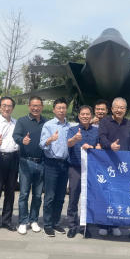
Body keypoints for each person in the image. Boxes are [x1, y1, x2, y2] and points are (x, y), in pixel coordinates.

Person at [97, 97, 130, 237]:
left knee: (119, 196)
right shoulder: (105, 121)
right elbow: (102, 137)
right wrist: (110, 145)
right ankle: (104, 224)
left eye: (122, 107)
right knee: (105, 194)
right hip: (106, 164)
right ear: (112, 109)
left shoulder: (129, 124)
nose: (119, 110)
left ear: (126, 110)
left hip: (122, 166)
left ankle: (115, 224)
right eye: (117, 107)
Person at [12, 96, 47, 235]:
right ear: (28, 106)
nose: (35, 108)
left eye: (38, 105)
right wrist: (22, 140)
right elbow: (15, 136)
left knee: (37, 195)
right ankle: (23, 222)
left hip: (42, 162)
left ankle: (33, 220)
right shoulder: (22, 121)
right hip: (26, 162)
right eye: (33, 105)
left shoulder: (46, 122)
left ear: (42, 107)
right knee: (24, 194)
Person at [40, 98, 72, 237]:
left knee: (60, 196)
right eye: (59, 108)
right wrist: (50, 139)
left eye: (63, 108)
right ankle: (47, 225)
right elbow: (42, 144)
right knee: (50, 196)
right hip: (51, 164)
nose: (61, 110)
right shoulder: (48, 125)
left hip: (65, 164)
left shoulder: (69, 126)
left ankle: (55, 222)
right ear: (54, 110)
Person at [0, 96, 20, 233]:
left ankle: (7, 220)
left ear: (13, 108)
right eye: (4, 106)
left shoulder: (16, 123)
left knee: (10, 191)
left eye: (10, 106)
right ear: (0, 107)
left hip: (14, 158)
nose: (7, 108)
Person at [66, 105, 98, 239]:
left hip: (91, 169)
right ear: (79, 116)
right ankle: (72, 226)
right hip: (76, 167)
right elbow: (68, 143)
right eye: (82, 114)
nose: (85, 116)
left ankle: (85, 226)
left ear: (91, 116)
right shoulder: (72, 130)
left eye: (87, 114)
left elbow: (99, 146)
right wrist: (75, 138)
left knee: (88, 199)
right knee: (73, 197)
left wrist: (92, 147)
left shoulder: (96, 131)